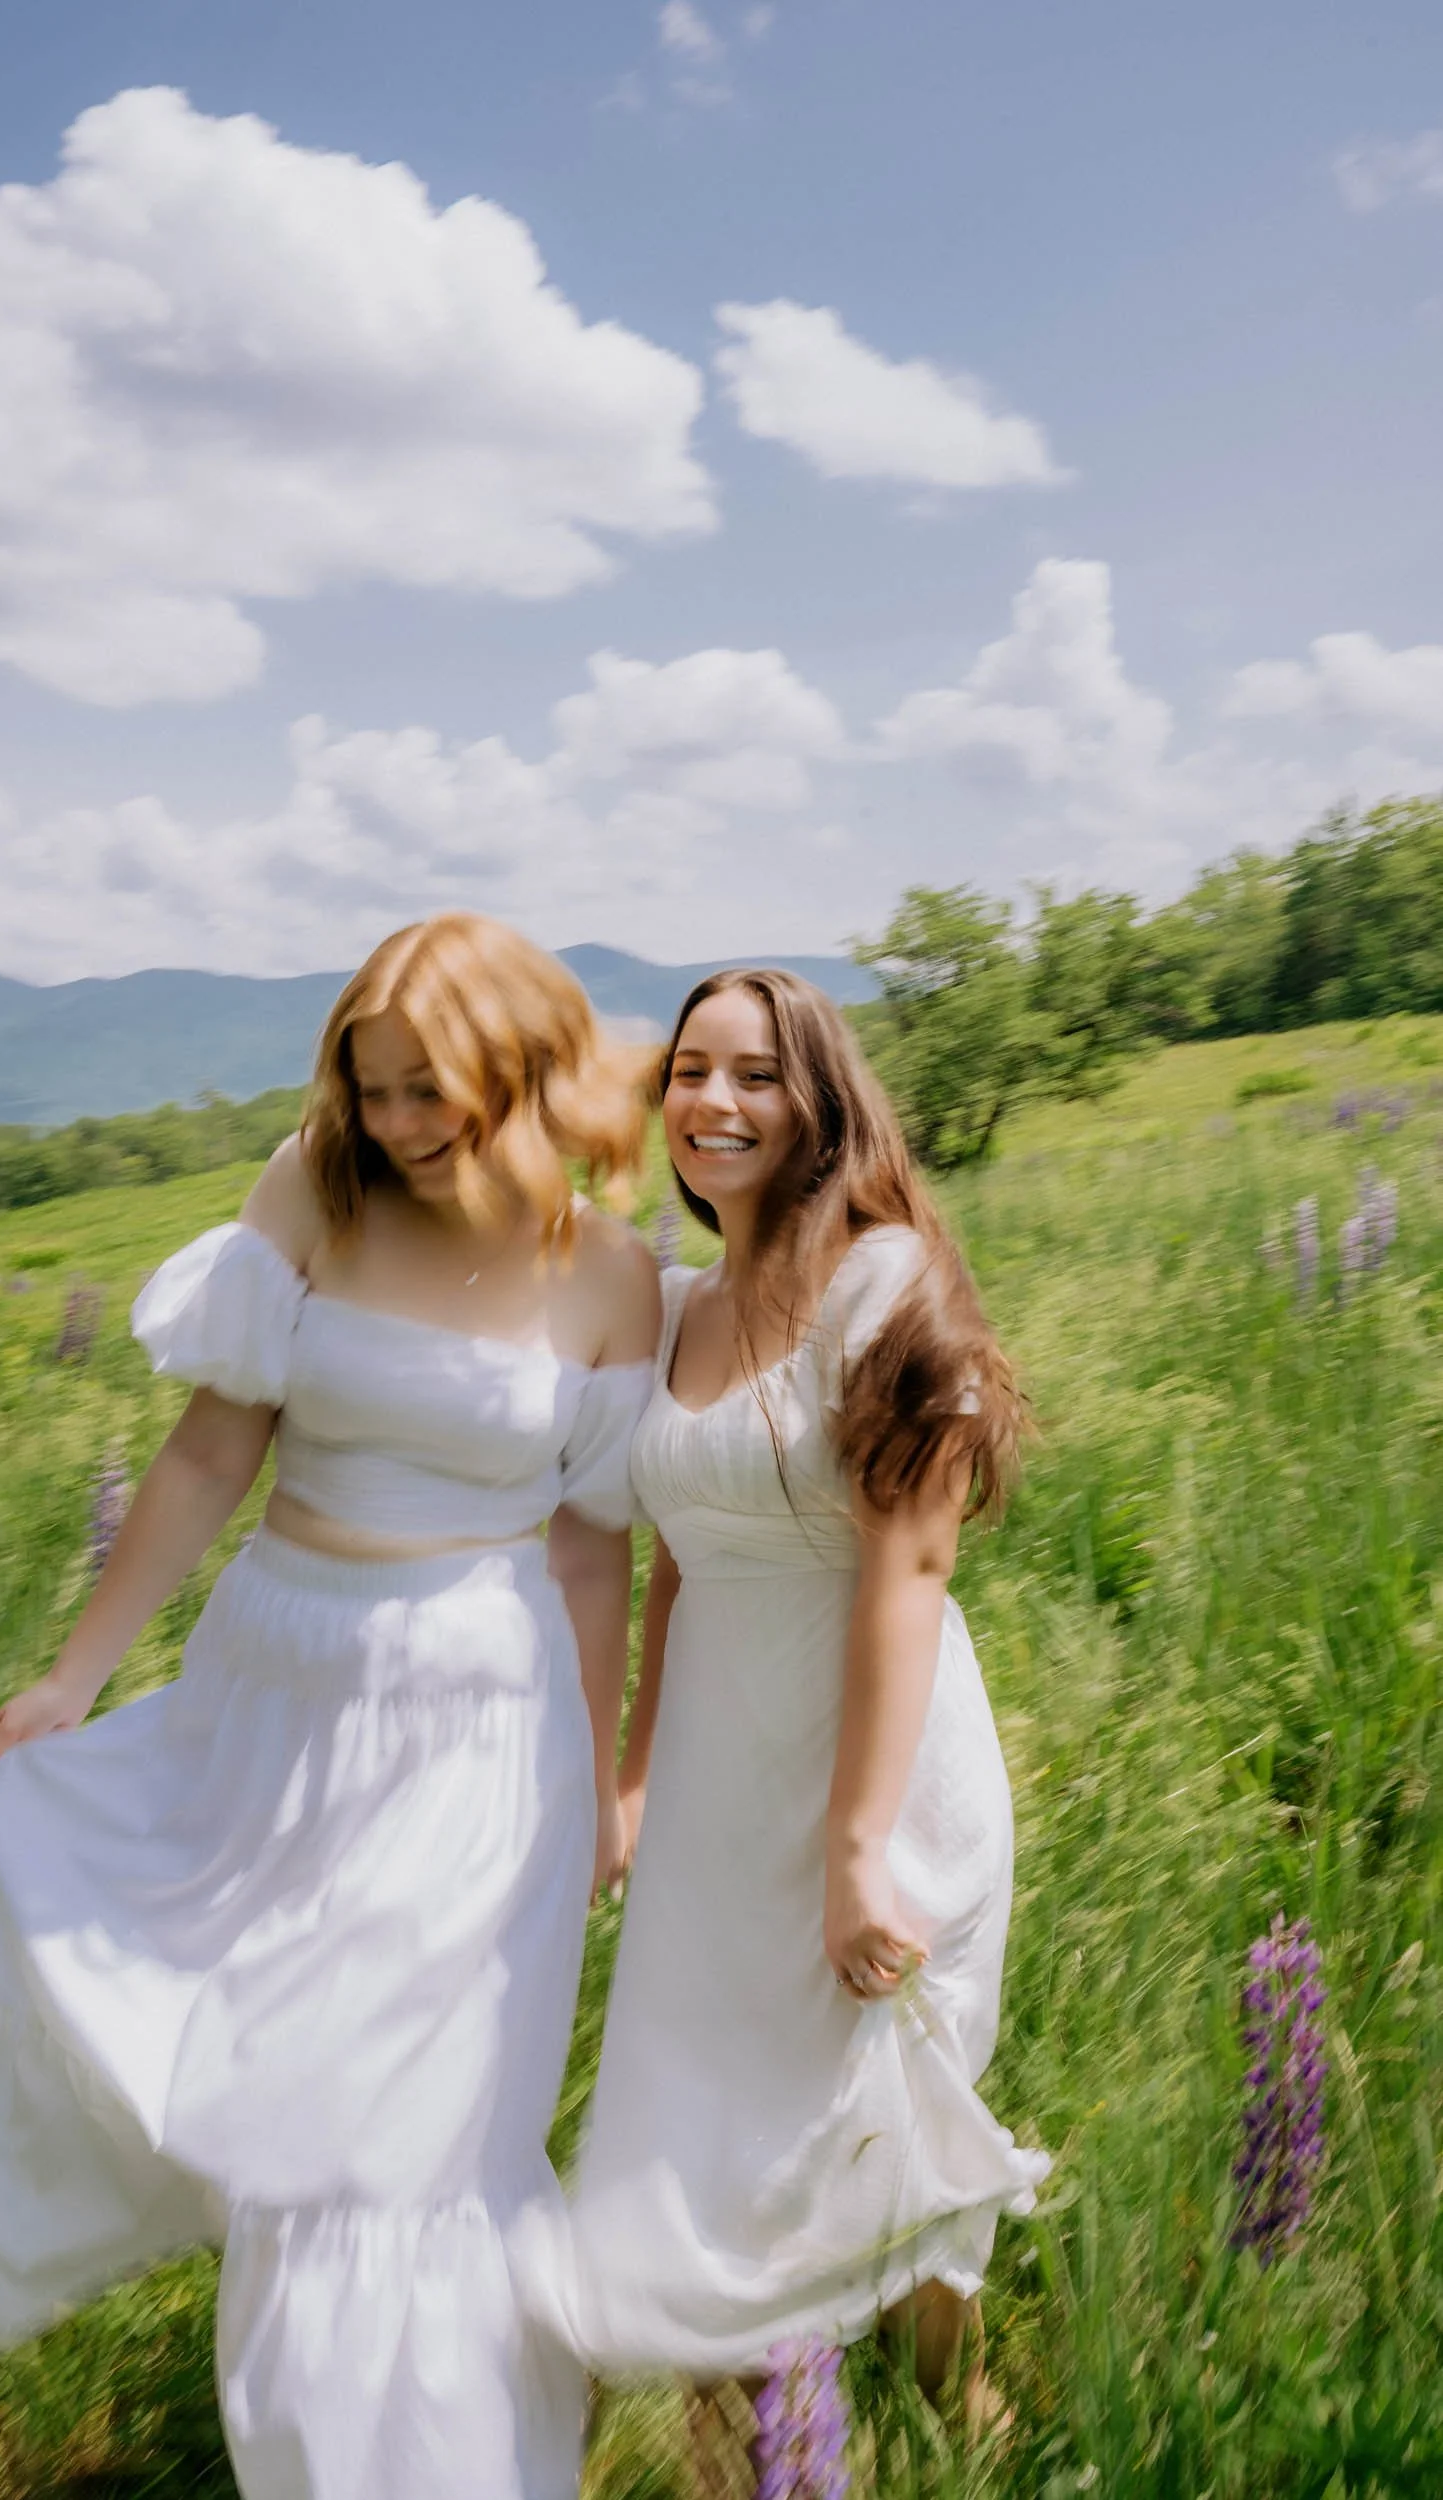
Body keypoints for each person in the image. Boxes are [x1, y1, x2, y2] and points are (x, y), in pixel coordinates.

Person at [0, 913, 661, 2500]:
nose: (400, 1129)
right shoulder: (313, 1194)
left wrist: (610, 1782)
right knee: (275, 2077)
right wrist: (73, 1675)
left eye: (429, 1092)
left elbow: (587, 1557)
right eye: (372, 1092)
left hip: (481, 1724)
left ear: (514, 1069)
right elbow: (213, 1454)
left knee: (408, 2129)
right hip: (273, 1683)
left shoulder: (615, 1278)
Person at [515, 968, 1049, 2480]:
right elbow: (676, 1566)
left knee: (883, 2093)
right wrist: (627, 1779)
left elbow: (911, 1561)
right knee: (707, 2123)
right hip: (710, 1784)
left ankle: (954, 2409)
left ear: (817, 1099)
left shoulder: (881, 1279)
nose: (714, 1103)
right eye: (689, 1072)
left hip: (877, 1767)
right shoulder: (683, 1313)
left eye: (754, 1075)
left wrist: (857, 1843)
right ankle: (734, 2453)